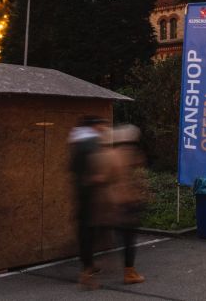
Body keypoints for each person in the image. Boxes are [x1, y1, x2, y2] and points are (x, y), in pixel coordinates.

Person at [89, 125, 147, 285]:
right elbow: (138, 178)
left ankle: (95, 265)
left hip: (114, 201)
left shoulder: (111, 154)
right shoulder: (132, 155)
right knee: (128, 239)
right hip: (128, 202)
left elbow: (102, 178)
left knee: (117, 236)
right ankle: (129, 272)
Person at [68, 116, 109, 290]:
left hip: (82, 193)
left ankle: (89, 264)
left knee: (87, 231)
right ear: (95, 126)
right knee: (89, 233)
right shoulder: (89, 143)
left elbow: (72, 168)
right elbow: (96, 169)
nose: (105, 128)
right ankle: (86, 275)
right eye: (102, 124)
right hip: (90, 195)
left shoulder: (77, 141)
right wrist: (98, 178)